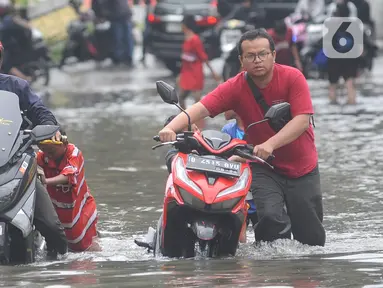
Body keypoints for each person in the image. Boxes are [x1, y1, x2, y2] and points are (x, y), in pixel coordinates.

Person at [158, 29, 325, 247]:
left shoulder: (293, 78)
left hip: (302, 167)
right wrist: (170, 128)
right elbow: (200, 108)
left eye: (263, 54)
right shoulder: (236, 86)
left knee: (310, 237)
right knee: (269, 220)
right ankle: (272, 274)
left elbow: (302, 120)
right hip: (265, 166)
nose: (257, 60)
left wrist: (270, 144)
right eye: (250, 56)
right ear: (241, 60)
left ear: (274, 55)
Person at [0, 41, 68, 257]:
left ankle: (60, 263)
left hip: (17, 162)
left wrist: (50, 128)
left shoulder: (16, 87)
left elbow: (40, 111)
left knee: (52, 227)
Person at [37, 129, 100, 252]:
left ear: (64, 144)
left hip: (80, 209)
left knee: (85, 248)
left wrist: (45, 181)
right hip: (58, 210)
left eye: (52, 151)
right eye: (45, 151)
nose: (48, 155)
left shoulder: (74, 154)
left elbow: (68, 176)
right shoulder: (42, 156)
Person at [178, 15, 221, 110]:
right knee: (181, 97)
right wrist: (180, 74)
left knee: (196, 99)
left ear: (185, 25)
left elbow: (203, 56)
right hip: (186, 71)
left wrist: (213, 72)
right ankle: (185, 117)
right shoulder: (186, 38)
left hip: (195, 71)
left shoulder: (195, 39)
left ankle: (197, 120)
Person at [326, 0, 359, 104]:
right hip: (349, 56)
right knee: (349, 82)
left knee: (332, 84)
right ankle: (351, 102)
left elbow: (326, 41)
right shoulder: (353, 25)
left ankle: (333, 103)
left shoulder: (331, 25)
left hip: (334, 56)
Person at [106, 0, 134, 67]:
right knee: (120, 38)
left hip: (122, 16)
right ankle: (121, 57)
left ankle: (124, 57)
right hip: (118, 17)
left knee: (122, 38)